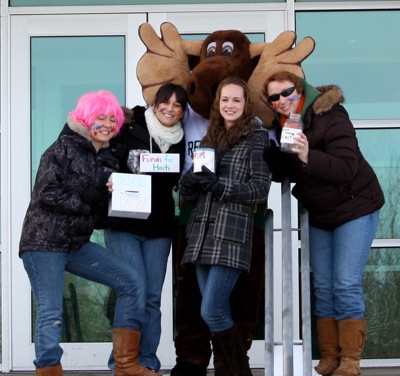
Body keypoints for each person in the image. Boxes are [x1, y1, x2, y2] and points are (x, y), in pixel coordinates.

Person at [19, 90, 159, 376]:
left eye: (112, 119)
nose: (107, 124)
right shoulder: (62, 149)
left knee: (131, 281)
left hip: (76, 244)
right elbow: (45, 194)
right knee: (51, 312)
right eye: (100, 117)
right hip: (43, 243)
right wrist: (88, 197)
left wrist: (123, 198)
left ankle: (126, 364)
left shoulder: (107, 159)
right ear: (85, 118)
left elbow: (95, 207)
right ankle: (48, 370)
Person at [263, 71, 385, 376]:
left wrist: (306, 154)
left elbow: (346, 167)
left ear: (300, 89)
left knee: (345, 282)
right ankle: (330, 355)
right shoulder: (279, 128)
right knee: (322, 285)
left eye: (286, 92)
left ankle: (351, 361)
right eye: (273, 97)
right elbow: (280, 171)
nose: (280, 101)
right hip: (320, 213)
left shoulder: (331, 115)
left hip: (354, 206)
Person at [179, 76, 272, 376]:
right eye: (225, 100)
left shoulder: (257, 138)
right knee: (213, 313)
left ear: (245, 105)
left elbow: (259, 190)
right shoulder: (209, 140)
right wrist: (189, 182)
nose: (230, 105)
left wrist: (219, 185)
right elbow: (191, 190)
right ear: (217, 104)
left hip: (230, 236)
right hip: (201, 236)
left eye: (236, 100)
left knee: (212, 310)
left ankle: (237, 372)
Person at [104, 83, 187, 373]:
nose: (170, 109)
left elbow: (175, 181)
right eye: (166, 102)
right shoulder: (130, 124)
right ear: (154, 103)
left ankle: (147, 363)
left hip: (160, 226)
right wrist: (125, 159)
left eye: (178, 105)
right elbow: (105, 155)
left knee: (152, 296)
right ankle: (122, 364)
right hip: (124, 221)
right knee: (133, 289)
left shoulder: (182, 138)